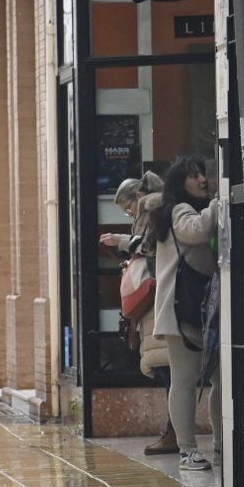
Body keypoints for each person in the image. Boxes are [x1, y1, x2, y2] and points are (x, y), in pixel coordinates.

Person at [152, 155, 222, 472]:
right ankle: (187, 451)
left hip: (193, 310)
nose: (202, 180)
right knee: (184, 381)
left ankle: (221, 446)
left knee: (218, 380)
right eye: (194, 176)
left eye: (203, 174)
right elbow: (195, 231)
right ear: (180, 184)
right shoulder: (180, 210)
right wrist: (218, 204)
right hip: (181, 312)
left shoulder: (175, 211)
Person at [100, 172, 174, 455]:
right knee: (166, 367)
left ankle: (175, 433)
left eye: (127, 207)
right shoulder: (150, 211)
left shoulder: (153, 210)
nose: (129, 213)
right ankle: (174, 431)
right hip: (156, 298)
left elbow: (151, 247)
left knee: (168, 368)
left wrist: (121, 241)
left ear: (138, 197)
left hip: (158, 298)